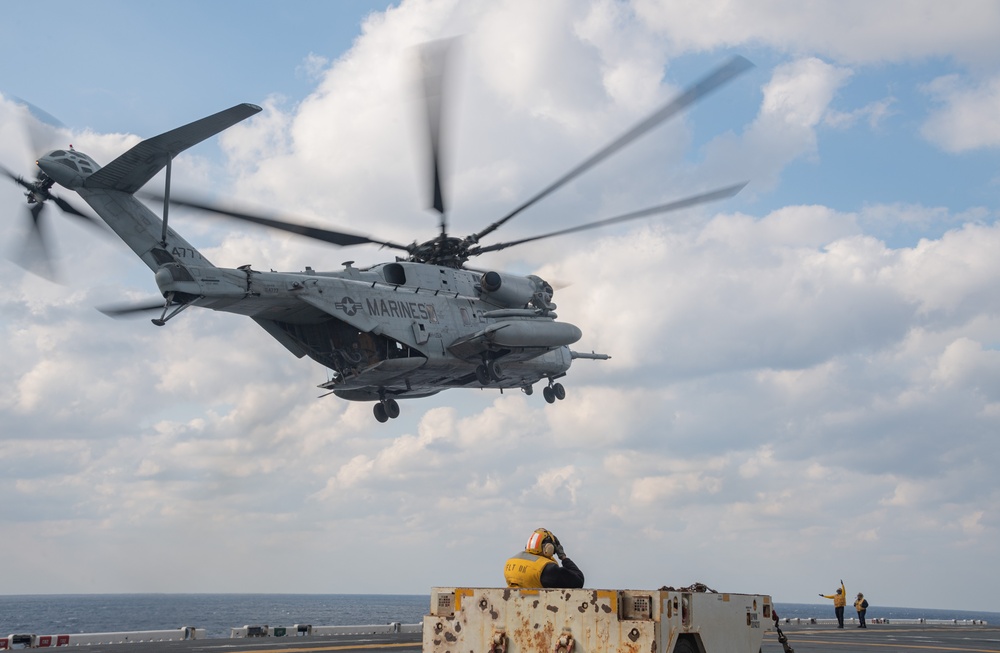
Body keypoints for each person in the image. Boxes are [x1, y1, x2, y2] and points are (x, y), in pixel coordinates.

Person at [504, 528, 584, 588]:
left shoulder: (510, 563)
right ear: (549, 548)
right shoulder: (548, 569)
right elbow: (579, 581)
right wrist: (563, 557)